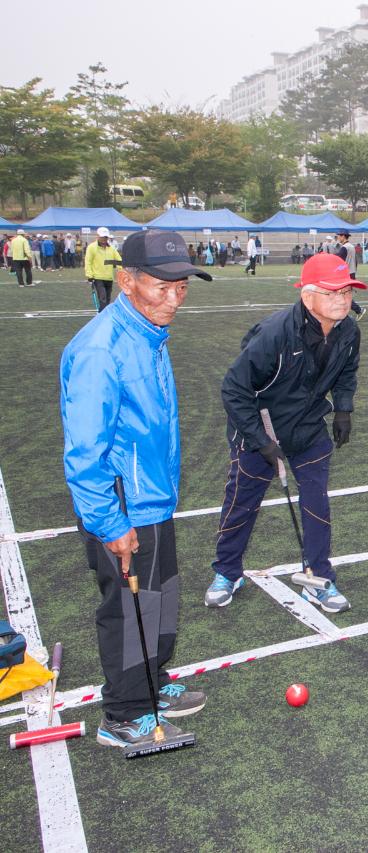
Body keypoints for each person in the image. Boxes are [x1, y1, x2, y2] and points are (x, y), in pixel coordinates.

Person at [60, 230, 212, 749]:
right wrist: (110, 523)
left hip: (152, 497)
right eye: (160, 286)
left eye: (181, 287)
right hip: (121, 503)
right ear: (126, 281)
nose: (173, 298)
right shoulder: (103, 349)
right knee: (129, 608)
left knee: (160, 598)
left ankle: (152, 684)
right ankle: (123, 713)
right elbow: (85, 452)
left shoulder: (147, 333)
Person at [205, 253, 363, 613]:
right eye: (333, 292)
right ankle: (227, 571)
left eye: (347, 291)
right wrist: (261, 442)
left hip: (308, 428)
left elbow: (346, 373)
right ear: (308, 297)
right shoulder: (274, 333)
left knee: (316, 503)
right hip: (259, 429)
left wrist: (343, 409)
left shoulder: (349, 331)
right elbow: (233, 389)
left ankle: (319, 577)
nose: (343, 299)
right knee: (241, 503)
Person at [84, 226, 121, 312]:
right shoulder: (91, 247)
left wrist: (122, 270)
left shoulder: (111, 248)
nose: (104, 239)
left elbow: (119, 260)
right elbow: (88, 261)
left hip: (109, 277)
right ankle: (102, 316)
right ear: (97, 236)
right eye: (102, 237)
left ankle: (103, 315)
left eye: (106, 237)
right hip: (98, 277)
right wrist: (89, 275)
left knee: (107, 300)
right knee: (103, 298)